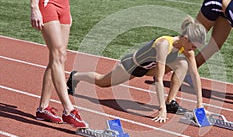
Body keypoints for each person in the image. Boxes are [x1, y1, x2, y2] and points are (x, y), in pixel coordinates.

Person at [67, 16, 207, 123]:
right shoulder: (164, 44)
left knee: (183, 64)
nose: (193, 50)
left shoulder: (187, 49)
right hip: (132, 66)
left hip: (149, 68)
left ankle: (170, 102)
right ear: (186, 38)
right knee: (103, 82)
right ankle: (76, 76)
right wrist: (161, 110)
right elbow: (158, 80)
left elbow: (195, 75)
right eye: (193, 46)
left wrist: (200, 105)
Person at [29, 0, 88, 128]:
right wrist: (34, 7)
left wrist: (67, 9)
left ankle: (43, 108)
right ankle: (69, 109)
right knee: (58, 54)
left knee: (59, 56)